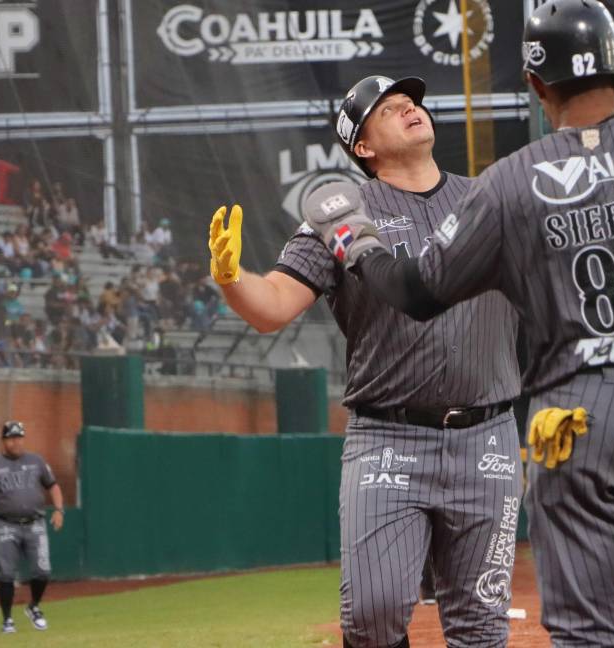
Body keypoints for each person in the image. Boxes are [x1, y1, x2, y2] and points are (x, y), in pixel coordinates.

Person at [301, 3, 614, 645]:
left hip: (570, 414)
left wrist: (358, 244)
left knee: (583, 635)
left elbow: (417, 293)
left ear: (538, 86)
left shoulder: (509, 182)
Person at [208, 75, 523, 647]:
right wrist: (232, 280)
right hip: (388, 436)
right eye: (390, 109)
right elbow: (273, 306)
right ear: (362, 147)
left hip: (489, 436)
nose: (410, 108)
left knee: (481, 624)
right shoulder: (343, 213)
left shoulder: (488, 199)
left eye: (413, 102)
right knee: (372, 616)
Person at [0, 421, 64, 634]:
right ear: (3, 441)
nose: (16, 442)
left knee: (42, 571)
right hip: (6, 525)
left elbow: (53, 485)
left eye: (19, 437)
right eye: (11, 438)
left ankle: (34, 606)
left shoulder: (36, 461)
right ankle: (7, 620)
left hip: (35, 523)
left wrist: (59, 510)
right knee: (7, 574)